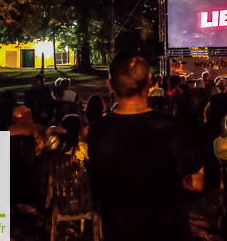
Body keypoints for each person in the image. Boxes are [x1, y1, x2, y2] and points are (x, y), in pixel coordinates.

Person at [87, 51, 204, 241]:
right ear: (149, 81)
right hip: (169, 231)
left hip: (119, 232)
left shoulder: (98, 130)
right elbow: (197, 180)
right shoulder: (172, 127)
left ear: (110, 85)